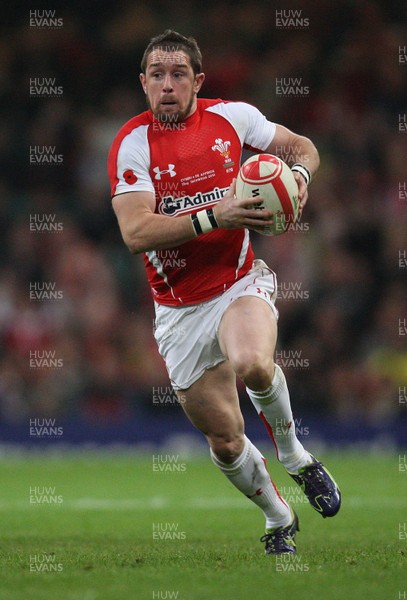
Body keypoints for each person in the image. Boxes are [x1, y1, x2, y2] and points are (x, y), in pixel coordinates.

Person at [108, 29, 341, 555]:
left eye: (179, 74)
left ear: (198, 81)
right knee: (227, 438)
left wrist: (300, 174)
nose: (168, 85)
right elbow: (135, 233)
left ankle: (295, 455)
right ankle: (278, 516)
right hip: (177, 311)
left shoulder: (233, 118)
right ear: (143, 83)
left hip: (237, 282)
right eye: (158, 76)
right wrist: (218, 214)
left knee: (253, 364)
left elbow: (303, 147)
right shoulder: (133, 144)